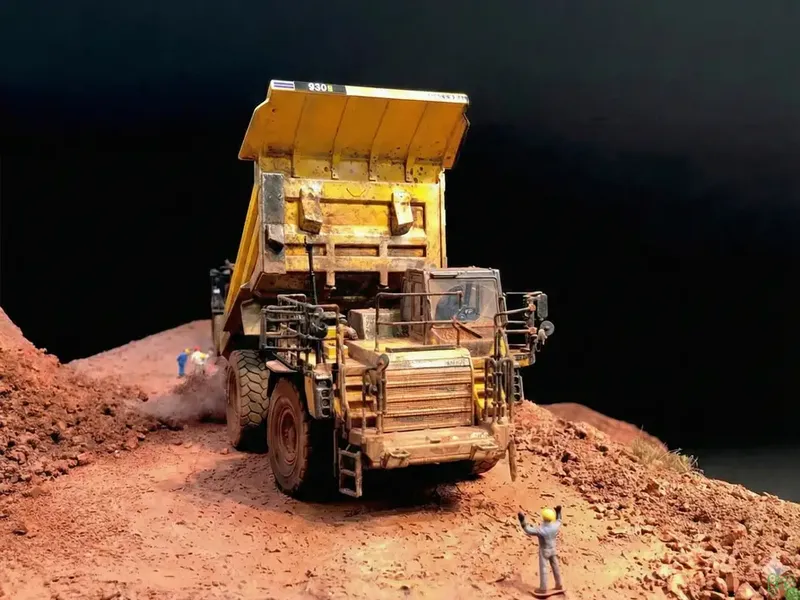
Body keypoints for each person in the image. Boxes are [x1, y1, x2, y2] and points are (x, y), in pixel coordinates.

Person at [518, 505, 564, 595]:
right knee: (556, 567)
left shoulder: (540, 529)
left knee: (544, 568)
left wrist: (522, 520)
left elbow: (528, 530)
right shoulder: (555, 526)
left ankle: (543, 588)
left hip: (544, 551)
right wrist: (558, 512)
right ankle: (559, 584)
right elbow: (559, 520)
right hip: (553, 549)